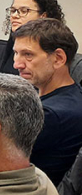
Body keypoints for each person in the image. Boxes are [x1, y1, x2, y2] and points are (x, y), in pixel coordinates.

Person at [13, 18, 82, 185]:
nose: (17, 64)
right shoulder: (73, 94)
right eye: (16, 53)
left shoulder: (50, 115)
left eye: (28, 55)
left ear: (58, 58)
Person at [0, 0, 65, 75]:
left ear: (43, 16)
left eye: (24, 11)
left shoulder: (55, 53)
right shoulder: (0, 49)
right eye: (13, 10)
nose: (15, 15)